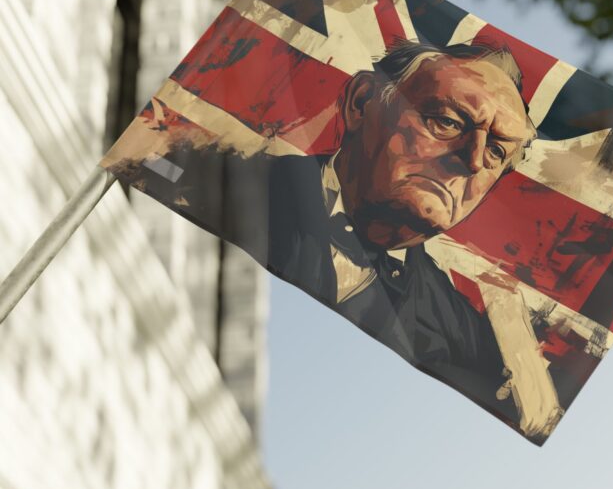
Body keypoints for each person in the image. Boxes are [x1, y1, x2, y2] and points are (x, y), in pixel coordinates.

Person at [112, 40, 555, 436]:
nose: (474, 161)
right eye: (446, 121)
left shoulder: (463, 335)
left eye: (497, 151)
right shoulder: (204, 176)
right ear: (361, 102)